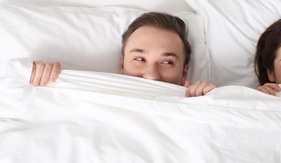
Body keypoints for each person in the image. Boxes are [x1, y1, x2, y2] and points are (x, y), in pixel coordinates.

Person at [30, 12, 216, 97]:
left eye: (167, 62)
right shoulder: (90, 95)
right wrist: (35, 75)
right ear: (122, 65)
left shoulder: (199, 102)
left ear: (184, 73)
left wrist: (212, 103)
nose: (151, 75)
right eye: (140, 59)